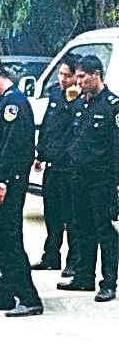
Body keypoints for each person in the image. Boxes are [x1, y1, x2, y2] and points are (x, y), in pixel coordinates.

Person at [0, 60, 43, 317]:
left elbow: (14, 147)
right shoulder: (6, 102)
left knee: (9, 241)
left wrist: (3, 181)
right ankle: (4, 294)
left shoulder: (14, 104)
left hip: (7, 184)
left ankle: (29, 297)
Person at [57, 55, 119, 302]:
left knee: (104, 230)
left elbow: (116, 148)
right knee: (81, 227)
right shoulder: (81, 104)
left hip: (101, 179)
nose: (78, 81)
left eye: (83, 76)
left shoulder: (112, 106)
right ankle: (84, 276)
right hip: (78, 177)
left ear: (96, 75)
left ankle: (109, 283)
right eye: (78, 76)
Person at [32, 54, 81, 276]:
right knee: (51, 215)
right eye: (61, 74)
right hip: (52, 165)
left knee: (71, 218)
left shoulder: (81, 100)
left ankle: (74, 261)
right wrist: (40, 154)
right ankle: (51, 255)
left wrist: (73, 101)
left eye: (68, 75)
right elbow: (47, 126)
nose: (63, 79)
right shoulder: (54, 94)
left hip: (69, 168)